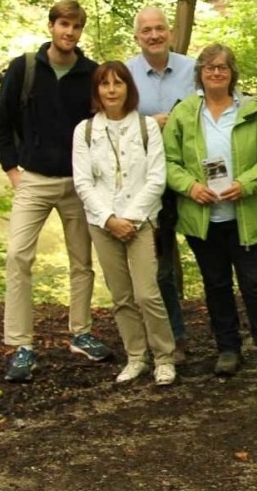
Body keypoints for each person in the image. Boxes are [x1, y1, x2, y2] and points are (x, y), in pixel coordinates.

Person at [0, 0, 106, 383]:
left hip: (78, 183)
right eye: (63, 25)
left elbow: (104, 127)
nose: (69, 33)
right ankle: (22, 345)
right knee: (17, 257)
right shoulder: (24, 69)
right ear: (51, 26)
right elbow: (0, 126)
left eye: (75, 27)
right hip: (33, 179)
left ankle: (81, 333)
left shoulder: (91, 74)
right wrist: (12, 171)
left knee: (81, 262)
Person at [164, 44, 257, 382]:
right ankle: (228, 349)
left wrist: (246, 183)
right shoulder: (185, 113)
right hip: (202, 218)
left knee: (255, 285)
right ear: (200, 73)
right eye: (209, 68)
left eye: (222, 67)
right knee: (216, 285)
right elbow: (169, 161)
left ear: (232, 73)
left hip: (244, 215)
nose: (216, 73)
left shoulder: (251, 111)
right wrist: (190, 187)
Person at [72, 61, 179, 386]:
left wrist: (130, 218)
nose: (112, 90)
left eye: (118, 84)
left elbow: (157, 178)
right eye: (105, 85)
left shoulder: (147, 128)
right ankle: (136, 357)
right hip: (101, 223)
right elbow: (83, 182)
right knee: (121, 296)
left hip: (141, 222)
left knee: (147, 293)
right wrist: (109, 219)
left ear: (129, 89)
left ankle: (164, 357)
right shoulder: (85, 131)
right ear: (97, 91)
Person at [126, 8, 196, 360]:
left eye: (159, 29)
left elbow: (218, 108)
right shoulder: (124, 74)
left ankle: (229, 338)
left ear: (169, 32)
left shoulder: (193, 69)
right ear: (137, 37)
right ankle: (174, 337)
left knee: (212, 256)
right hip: (150, 181)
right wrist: (150, 123)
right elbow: (115, 126)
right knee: (161, 263)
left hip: (194, 178)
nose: (153, 35)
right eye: (146, 31)